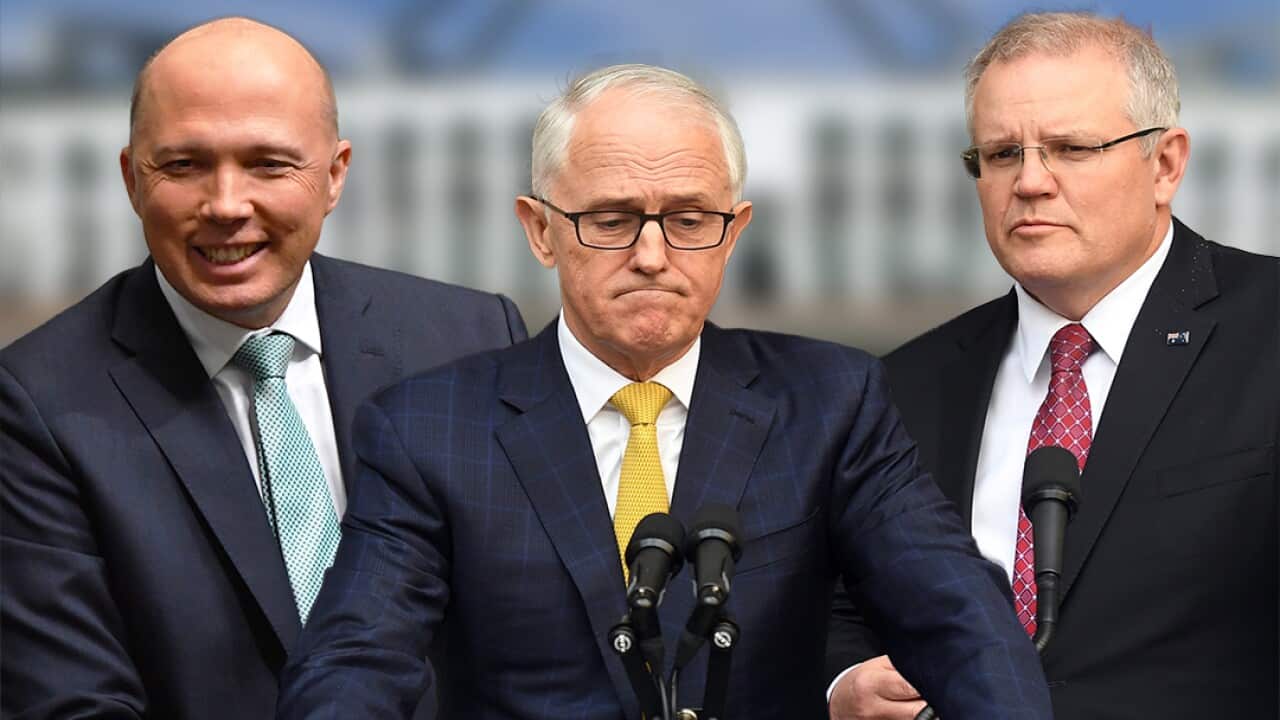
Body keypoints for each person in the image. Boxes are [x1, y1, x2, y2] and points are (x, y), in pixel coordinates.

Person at [276, 63, 1051, 720]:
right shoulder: (429, 429)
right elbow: (356, 660)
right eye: (611, 220)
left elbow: (958, 620)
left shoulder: (828, 400)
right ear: (540, 229)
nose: (652, 255)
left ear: (736, 229)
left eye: (687, 220)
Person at [0, 17, 527, 720]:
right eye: (183, 165)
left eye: (268, 164)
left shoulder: (471, 340)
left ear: (335, 175)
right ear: (132, 178)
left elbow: (535, 639)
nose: (225, 204)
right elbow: (70, 703)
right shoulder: (36, 403)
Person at [827, 11, 1279, 720]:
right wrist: (844, 683)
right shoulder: (899, 387)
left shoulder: (1268, 328)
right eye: (1003, 154)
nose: (1030, 182)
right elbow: (841, 610)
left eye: (1070, 148)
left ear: (1165, 164)